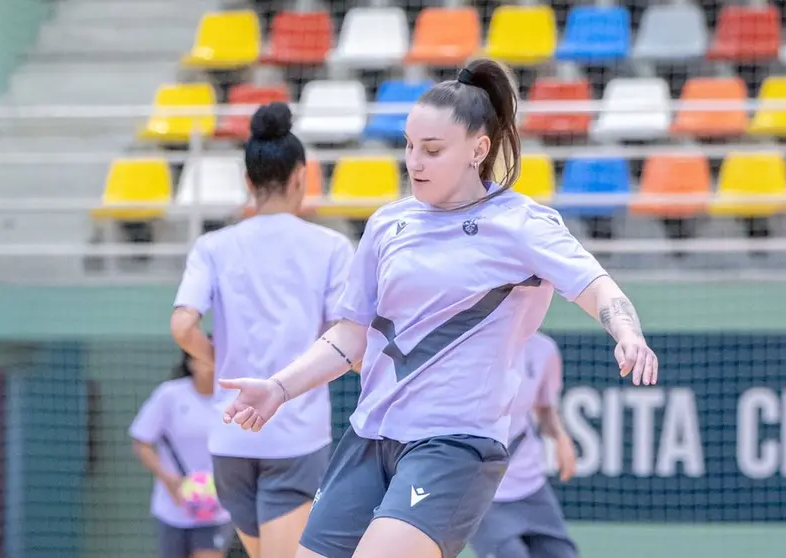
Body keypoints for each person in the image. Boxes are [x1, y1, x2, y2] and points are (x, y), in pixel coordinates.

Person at [215, 57, 659, 558]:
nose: (414, 162)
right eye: (408, 146)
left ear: (478, 149)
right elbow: (350, 336)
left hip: (454, 445)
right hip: (369, 437)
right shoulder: (387, 225)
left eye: (431, 150)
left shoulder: (521, 224)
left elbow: (598, 287)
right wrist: (279, 387)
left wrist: (628, 333)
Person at [170, 102, 356, 558]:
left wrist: (213, 358)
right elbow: (343, 337)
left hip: (230, 438)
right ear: (301, 176)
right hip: (293, 434)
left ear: (248, 183)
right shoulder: (330, 246)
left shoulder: (213, 245)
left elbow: (182, 324)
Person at [470, 332, 579, 558]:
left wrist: (560, 437)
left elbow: (545, 408)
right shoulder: (472, 344)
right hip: (480, 489)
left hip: (530, 485)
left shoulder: (544, 349)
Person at [130, 347, 236, 558]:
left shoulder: (232, 398)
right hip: (173, 506)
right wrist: (169, 479)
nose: (211, 363)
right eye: (205, 357)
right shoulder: (170, 395)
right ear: (191, 363)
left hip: (217, 507)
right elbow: (141, 442)